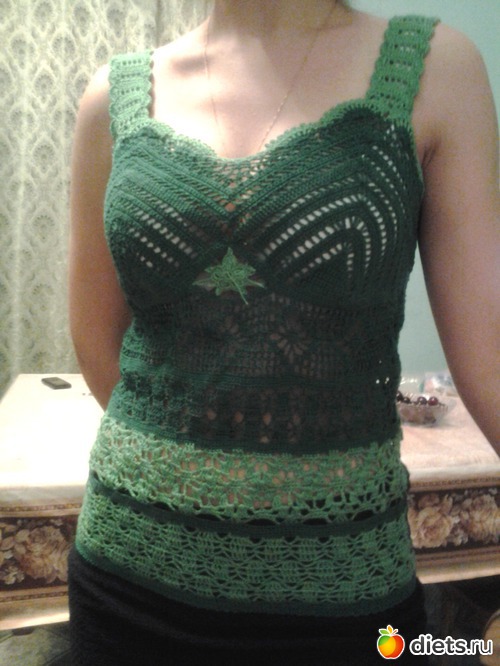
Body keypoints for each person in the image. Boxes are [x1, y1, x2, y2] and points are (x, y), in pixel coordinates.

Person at [68, 1, 499, 664]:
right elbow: (100, 346)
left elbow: (492, 357)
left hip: (344, 594)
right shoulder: (111, 98)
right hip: (127, 579)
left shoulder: (437, 69)